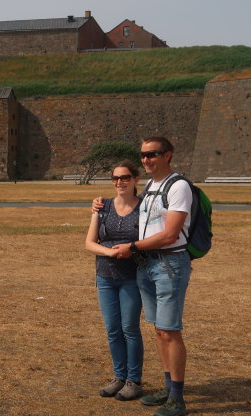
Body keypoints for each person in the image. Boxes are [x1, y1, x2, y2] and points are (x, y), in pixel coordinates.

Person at [97, 136, 192, 416]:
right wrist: (99, 204)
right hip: (147, 266)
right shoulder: (151, 186)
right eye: (143, 155)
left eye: (153, 154)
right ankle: (166, 387)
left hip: (169, 264)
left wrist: (133, 247)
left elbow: (170, 234)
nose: (147, 159)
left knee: (170, 331)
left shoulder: (179, 186)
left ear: (168, 155)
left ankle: (177, 397)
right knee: (159, 331)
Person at [85, 161, 143, 401]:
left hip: (132, 277)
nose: (120, 182)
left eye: (125, 177)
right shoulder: (103, 206)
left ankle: (134, 380)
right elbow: (89, 242)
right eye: (116, 178)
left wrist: (130, 250)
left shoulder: (144, 208)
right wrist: (110, 252)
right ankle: (119, 377)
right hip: (106, 276)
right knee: (112, 330)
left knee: (129, 329)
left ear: (136, 180)